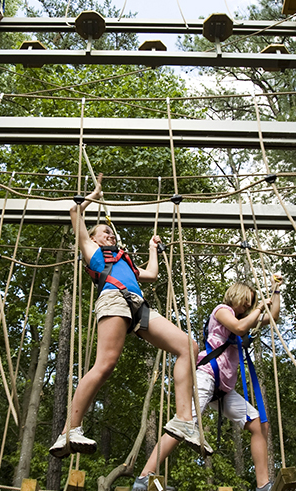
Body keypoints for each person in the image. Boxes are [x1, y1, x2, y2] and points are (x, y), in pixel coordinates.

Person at [51, 174, 208, 458]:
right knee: (106, 363)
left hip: (138, 305)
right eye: (103, 232)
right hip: (113, 298)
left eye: (111, 233)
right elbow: (75, 212)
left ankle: (184, 420)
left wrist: (151, 248)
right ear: (94, 237)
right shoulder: (91, 250)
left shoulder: (126, 261)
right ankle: (70, 430)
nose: (109, 235)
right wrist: (94, 194)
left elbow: (151, 274)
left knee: (189, 347)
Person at [132, 280, 282, 491]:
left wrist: (276, 291)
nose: (247, 307)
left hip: (223, 388)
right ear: (236, 296)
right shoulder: (222, 311)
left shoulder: (244, 318)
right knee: (184, 425)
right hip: (206, 376)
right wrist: (259, 308)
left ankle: (263, 486)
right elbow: (240, 328)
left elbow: (274, 316)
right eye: (246, 302)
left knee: (258, 425)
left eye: (250, 304)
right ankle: (145, 476)